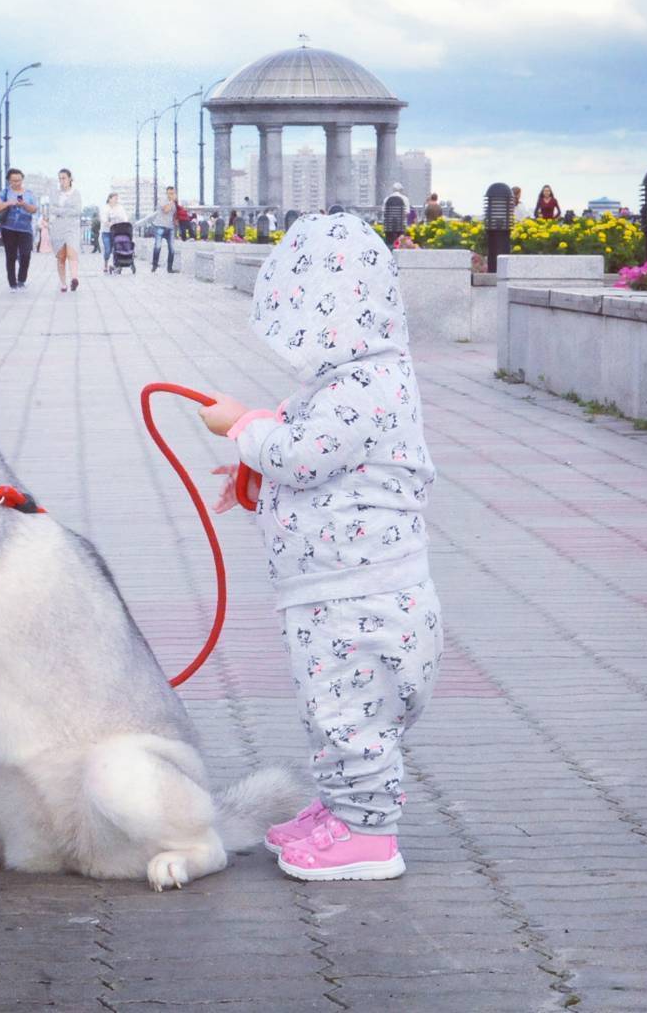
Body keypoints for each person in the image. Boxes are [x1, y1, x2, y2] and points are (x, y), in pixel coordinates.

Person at [199, 211, 442, 881]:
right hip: (341, 594)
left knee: (348, 713)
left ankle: (368, 836)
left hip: (360, 599)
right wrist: (256, 468)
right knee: (332, 709)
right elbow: (315, 455)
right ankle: (342, 809)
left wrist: (242, 428)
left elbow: (302, 457)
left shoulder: (363, 388)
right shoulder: (353, 382)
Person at [0, 167, 38, 290]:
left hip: (25, 229)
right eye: (14, 180)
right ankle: (12, 283)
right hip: (9, 228)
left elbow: (34, 209)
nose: (17, 183)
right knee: (11, 255)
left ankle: (22, 279)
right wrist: (9, 203)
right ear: (9, 181)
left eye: (19, 180)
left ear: (22, 179)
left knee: (25, 255)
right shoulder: (5, 192)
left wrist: (24, 204)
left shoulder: (29, 193)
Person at [49, 168, 82, 292]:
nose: (62, 181)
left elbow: (77, 211)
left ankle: (74, 278)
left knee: (72, 252)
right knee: (61, 256)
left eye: (64, 178)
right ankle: (63, 284)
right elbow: (52, 209)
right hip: (57, 227)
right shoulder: (55, 194)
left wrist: (60, 210)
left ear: (70, 179)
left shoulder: (76, 193)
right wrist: (67, 210)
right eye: (60, 178)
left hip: (72, 227)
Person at [150, 185, 177, 273]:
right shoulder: (162, 200)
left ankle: (169, 268)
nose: (171, 195)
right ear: (167, 193)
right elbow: (166, 210)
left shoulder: (175, 203)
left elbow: (174, 214)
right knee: (158, 246)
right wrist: (172, 201)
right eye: (169, 193)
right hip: (160, 226)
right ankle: (154, 266)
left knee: (172, 248)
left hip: (170, 228)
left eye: (173, 193)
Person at [100, 191, 127, 273]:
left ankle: (115, 265)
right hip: (106, 232)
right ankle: (105, 264)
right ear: (110, 199)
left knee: (116, 249)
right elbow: (103, 218)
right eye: (115, 198)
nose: (116, 200)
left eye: (117, 198)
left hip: (116, 232)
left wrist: (125, 223)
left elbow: (125, 217)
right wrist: (109, 223)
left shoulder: (120, 207)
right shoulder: (105, 208)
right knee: (108, 250)